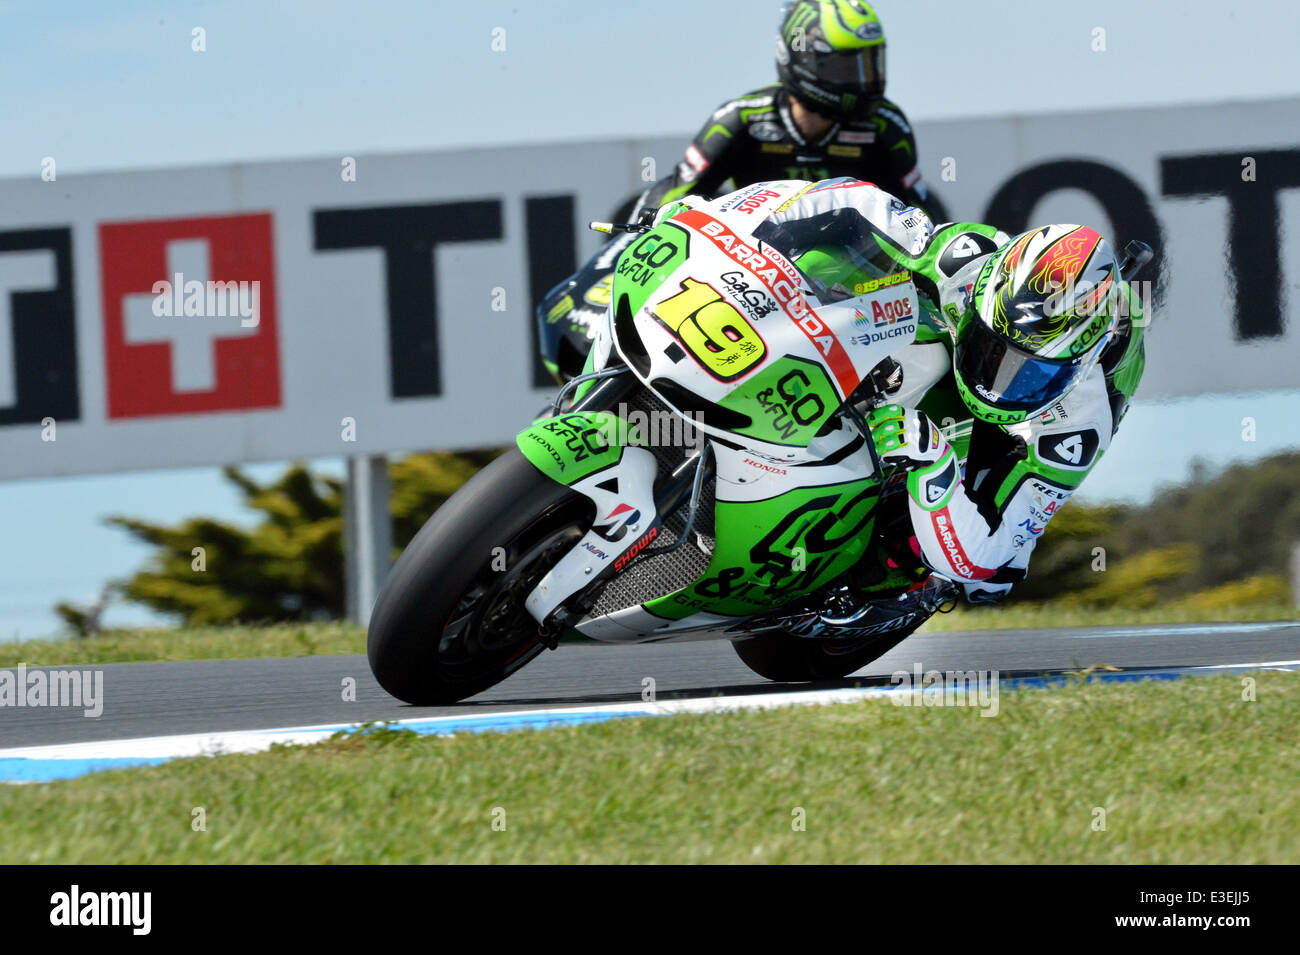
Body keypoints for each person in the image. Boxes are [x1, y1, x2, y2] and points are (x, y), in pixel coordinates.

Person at [669, 177, 1147, 603]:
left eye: (1029, 372)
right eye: (991, 349)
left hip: (1015, 432)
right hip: (943, 331)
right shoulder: (964, 260)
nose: (998, 376)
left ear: (1075, 365)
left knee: (986, 575)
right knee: (836, 265)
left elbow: (982, 554)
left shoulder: (1083, 417)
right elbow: (854, 200)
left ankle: (881, 569)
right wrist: (722, 216)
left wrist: (936, 466)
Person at [539, 0, 932, 381]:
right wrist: (625, 258)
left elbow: (915, 222)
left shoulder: (886, 127)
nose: (863, 81)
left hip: (844, 282)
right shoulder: (743, 118)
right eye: (848, 67)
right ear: (800, 59)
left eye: (869, 63)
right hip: (749, 266)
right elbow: (676, 193)